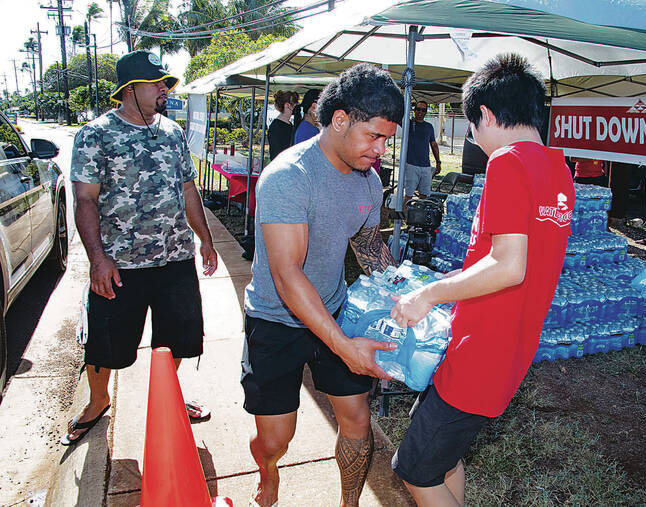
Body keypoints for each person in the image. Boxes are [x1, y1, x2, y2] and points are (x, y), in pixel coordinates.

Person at [389, 53, 574, 506]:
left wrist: (430, 295)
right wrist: (444, 281)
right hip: (510, 349)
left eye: (472, 126)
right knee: (445, 458)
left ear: (486, 115)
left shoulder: (507, 162)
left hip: (481, 352)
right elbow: (511, 261)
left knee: (414, 468)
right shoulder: (557, 168)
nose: (475, 138)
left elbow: (510, 266)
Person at [241, 63, 404, 507]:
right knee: (276, 439)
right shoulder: (289, 177)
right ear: (339, 120)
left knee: (356, 419)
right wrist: (343, 346)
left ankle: (348, 503)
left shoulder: (369, 181)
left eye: (388, 139)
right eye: (374, 136)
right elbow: (287, 275)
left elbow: (370, 248)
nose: (381, 149)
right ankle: (268, 470)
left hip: (333, 309)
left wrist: (407, 296)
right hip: (275, 321)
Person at [61, 50, 218, 446]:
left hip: (175, 259)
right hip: (119, 265)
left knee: (178, 338)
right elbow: (84, 201)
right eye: (157, 82)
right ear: (130, 89)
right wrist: (98, 259)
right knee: (106, 345)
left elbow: (188, 189)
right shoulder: (95, 135)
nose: (165, 88)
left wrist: (206, 240)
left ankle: (167, 398)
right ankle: (98, 402)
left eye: (166, 82)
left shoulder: (173, 133)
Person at [404, 100, 442, 200]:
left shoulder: (429, 127)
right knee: (409, 195)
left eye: (423, 110)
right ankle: (404, 214)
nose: (420, 112)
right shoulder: (408, 124)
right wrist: (408, 105)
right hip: (411, 165)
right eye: (418, 109)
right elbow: (400, 114)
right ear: (414, 110)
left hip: (426, 166)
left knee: (424, 195)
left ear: (426, 112)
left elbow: (433, 145)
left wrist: (438, 162)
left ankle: (420, 214)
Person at [267, 90, 299, 162]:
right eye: (294, 105)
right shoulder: (276, 127)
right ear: (287, 105)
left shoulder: (289, 124)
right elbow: (276, 153)